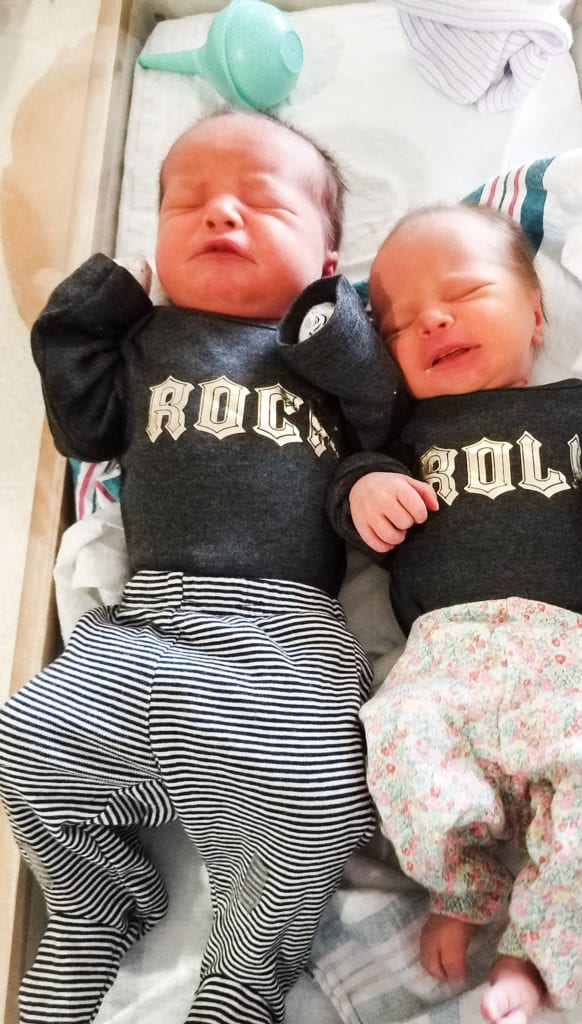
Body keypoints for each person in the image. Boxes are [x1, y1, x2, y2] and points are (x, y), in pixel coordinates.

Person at [0, 109, 406, 1024]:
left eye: (261, 204)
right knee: (27, 744)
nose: (220, 215)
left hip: (282, 634)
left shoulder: (334, 356)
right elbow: (82, 427)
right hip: (146, 621)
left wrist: (330, 323)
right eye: (187, 205)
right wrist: (99, 300)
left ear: (329, 259)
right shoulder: (149, 341)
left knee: (313, 794)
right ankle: (95, 896)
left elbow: (385, 412)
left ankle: (240, 971)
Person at [328, 204, 582, 1024]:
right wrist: (365, 491)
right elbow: (344, 490)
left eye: (462, 291)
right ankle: (460, 883)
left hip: (580, 667)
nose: (431, 318)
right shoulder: (406, 430)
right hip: (446, 661)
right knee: (396, 740)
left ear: (534, 315)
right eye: (397, 325)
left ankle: (538, 955)